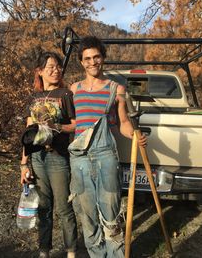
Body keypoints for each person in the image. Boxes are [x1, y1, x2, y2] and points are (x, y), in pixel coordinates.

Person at [69, 36, 147, 258]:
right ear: (81, 62)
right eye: (87, 59)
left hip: (105, 156)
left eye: (96, 57)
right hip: (80, 159)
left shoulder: (116, 89)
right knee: (88, 215)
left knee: (111, 214)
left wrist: (134, 136)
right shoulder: (73, 89)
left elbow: (122, 123)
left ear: (103, 58)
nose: (92, 62)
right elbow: (74, 124)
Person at [20, 52, 77, 258]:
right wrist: (23, 165)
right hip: (37, 159)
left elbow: (75, 125)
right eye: (50, 67)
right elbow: (27, 134)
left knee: (63, 209)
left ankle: (71, 251)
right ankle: (44, 251)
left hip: (58, 158)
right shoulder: (33, 98)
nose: (56, 70)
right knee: (43, 208)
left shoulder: (65, 94)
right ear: (40, 71)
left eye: (58, 67)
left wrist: (57, 126)